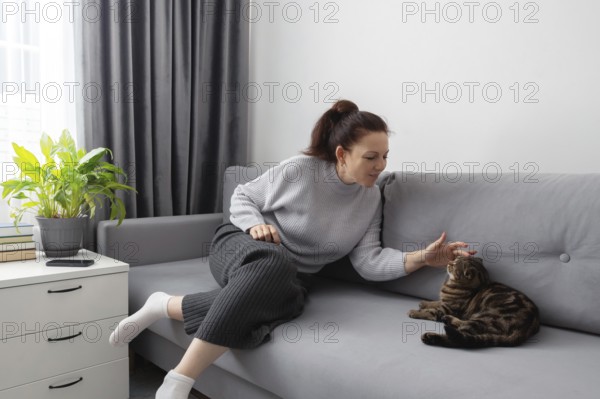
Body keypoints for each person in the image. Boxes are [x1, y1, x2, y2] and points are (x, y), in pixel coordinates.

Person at [108, 99, 477, 398]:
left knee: (287, 298)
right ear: (341, 154)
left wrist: (421, 258)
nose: (380, 166)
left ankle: (163, 304)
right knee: (274, 270)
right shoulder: (301, 170)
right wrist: (256, 224)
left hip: (291, 277)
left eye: (385, 157)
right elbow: (242, 196)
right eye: (371, 157)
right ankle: (179, 382)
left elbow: (368, 261)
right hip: (242, 245)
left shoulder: (371, 199)